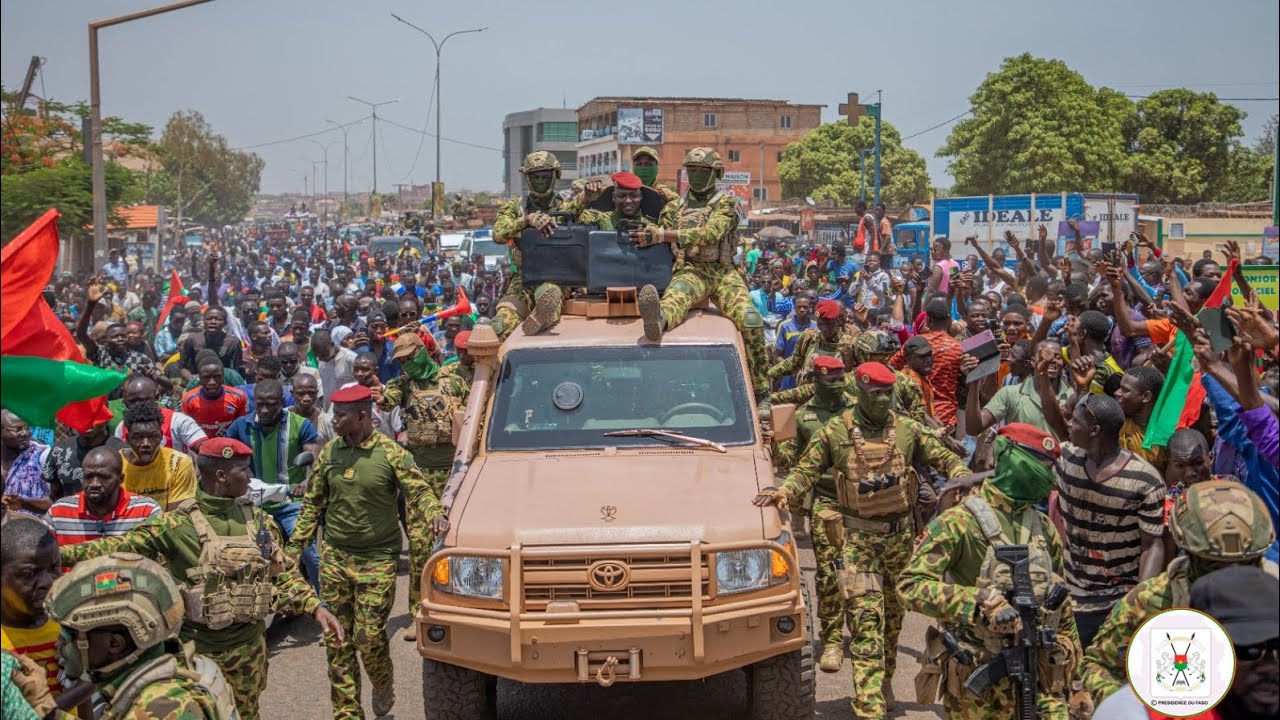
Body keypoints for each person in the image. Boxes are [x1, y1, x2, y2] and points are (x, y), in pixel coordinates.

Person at [59, 437, 342, 720]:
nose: (249, 476)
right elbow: (114, 548)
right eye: (242, 469)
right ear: (220, 476)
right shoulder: (175, 525)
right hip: (198, 655)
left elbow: (281, 574)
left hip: (249, 651)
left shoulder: (259, 522)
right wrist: (55, 556)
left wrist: (315, 607)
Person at [754, 362, 969, 718]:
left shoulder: (907, 430)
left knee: (893, 622)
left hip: (900, 541)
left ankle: (884, 682)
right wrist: (782, 492)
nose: (883, 401)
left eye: (888, 394)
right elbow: (805, 471)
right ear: (861, 393)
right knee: (867, 625)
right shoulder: (835, 431)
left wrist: (962, 479)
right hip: (858, 543)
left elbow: (946, 459)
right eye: (875, 395)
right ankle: (870, 706)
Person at [898, 423, 1086, 720]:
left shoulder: (1043, 528)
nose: (1046, 474)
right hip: (977, 682)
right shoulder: (960, 522)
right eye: (1040, 464)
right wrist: (978, 601)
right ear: (1010, 457)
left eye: (1050, 466)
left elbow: (1061, 606)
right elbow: (910, 586)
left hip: (1037, 675)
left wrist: (1077, 682)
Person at [289, 384, 447, 718]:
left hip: (377, 560)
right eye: (333, 413)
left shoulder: (390, 452)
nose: (334, 420)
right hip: (335, 558)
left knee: (370, 638)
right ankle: (348, 713)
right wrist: (294, 549)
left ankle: (383, 680)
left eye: (341, 415)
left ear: (362, 416)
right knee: (338, 642)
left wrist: (434, 514)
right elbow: (312, 505)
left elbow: (418, 489)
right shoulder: (330, 453)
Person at [1080, 479, 1275, 704]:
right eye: (1213, 565)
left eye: (1245, 564)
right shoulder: (1150, 601)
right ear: (1189, 552)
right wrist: (1139, 711)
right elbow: (1098, 665)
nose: (1229, 577)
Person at [633, 147, 772, 418]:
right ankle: (656, 321)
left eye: (703, 171)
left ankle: (762, 392)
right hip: (691, 270)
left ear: (715, 173)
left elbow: (711, 233)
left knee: (751, 319)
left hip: (722, 273)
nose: (696, 176)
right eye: (692, 170)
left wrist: (662, 235)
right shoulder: (673, 207)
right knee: (676, 297)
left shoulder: (728, 204)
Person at [1036, 372, 1166, 649]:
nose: (1069, 424)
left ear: (1095, 431)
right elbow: (1027, 468)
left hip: (1117, 600)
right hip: (1071, 595)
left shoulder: (1146, 480)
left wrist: (1138, 604)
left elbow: (1151, 545)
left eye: (1076, 422)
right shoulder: (1067, 457)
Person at [44, 553, 239, 719]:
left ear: (114, 644)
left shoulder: (158, 708)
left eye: (69, 633)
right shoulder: (174, 664)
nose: (60, 643)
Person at [374, 332, 467, 641]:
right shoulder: (402, 386)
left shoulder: (452, 381)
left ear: (422, 353)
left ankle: (461, 607)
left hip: (454, 473)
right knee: (418, 545)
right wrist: (377, 394)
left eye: (409, 358)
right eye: (400, 361)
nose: (406, 365)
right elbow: (384, 400)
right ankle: (420, 612)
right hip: (419, 474)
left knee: (457, 542)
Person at [771, 355, 856, 673]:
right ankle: (832, 640)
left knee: (863, 575)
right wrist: (777, 443)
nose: (835, 387)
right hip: (827, 502)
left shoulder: (860, 410)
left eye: (839, 380)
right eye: (828, 382)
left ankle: (862, 636)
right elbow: (790, 462)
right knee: (830, 573)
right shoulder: (804, 416)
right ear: (816, 382)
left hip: (864, 503)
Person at [226, 380, 321, 588]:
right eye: (260, 404)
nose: (265, 409)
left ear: (282, 401)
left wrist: (305, 481)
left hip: (290, 503)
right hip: (251, 505)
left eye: (271, 404)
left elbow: (314, 459)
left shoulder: (300, 425)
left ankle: (326, 604)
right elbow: (227, 459)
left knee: (310, 555)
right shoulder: (240, 427)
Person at [0, 515, 95, 718]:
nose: (47, 581)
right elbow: (27, 714)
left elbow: (81, 697)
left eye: (54, 568)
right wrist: (89, 684)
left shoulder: (67, 622)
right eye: (29, 574)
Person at [490, 151, 569, 340]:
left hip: (557, 275)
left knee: (549, 294)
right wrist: (526, 220)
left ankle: (542, 315)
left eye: (545, 176)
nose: (540, 180)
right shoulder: (515, 207)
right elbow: (498, 234)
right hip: (524, 277)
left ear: (555, 176)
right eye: (535, 176)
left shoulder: (567, 207)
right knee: (499, 327)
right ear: (527, 177)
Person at [45, 446, 162, 547]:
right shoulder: (58, 513)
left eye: (103, 477)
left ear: (121, 479)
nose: (94, 484)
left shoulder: (146, 511)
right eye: (88, 476)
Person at [120, 400, 197, 511]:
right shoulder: (115, 465)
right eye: (138, 437)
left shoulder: (178, 463)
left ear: (161, 436)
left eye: (152, 436)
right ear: (127, 439)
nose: (145, 443)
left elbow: (176, 517)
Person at [112, 374, 208, 455]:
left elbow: (205, 450)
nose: (138, 406)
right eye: (132, 402)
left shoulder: (178, 421)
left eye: (143, 400)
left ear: (156, 397)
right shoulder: (122, 427)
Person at [180, 353, 249, 437]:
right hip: (201, 446)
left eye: (217, 376)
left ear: (223, 376)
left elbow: (242, 427)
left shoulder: (238, 397)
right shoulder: (189, 400)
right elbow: (187, 430)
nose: (212, 382)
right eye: (206, 377)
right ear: (199, 378)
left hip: (229, 446)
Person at [1, 410, 52, 516]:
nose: (25, 433)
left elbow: (56, 502)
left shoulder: (43, 455)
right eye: (18, 429)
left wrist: (24, 503)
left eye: (27, 428)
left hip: (32, 529)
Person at [773, 294, 816, 389]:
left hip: (811, 380)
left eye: (805, 307)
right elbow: (777, 355)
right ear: (794, 308)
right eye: (799, 307)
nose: (802, 309)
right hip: (789, 380)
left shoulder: (816, 327)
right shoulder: (785, 326)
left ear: (810, 308)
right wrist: (792, 371)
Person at [311, 329, 357, 409]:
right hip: (330, 410)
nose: (322, 359)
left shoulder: (350, 358)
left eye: (324, 355)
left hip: (350, 408)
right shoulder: (321, 361)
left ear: (332, 344)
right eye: (319, 356)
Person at [290, 373, 335, 446]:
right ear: (292, 393)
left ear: (317, 393)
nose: (306, 398)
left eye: (311, 393)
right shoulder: (283, 417)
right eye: (301, 394)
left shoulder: (327, 422)